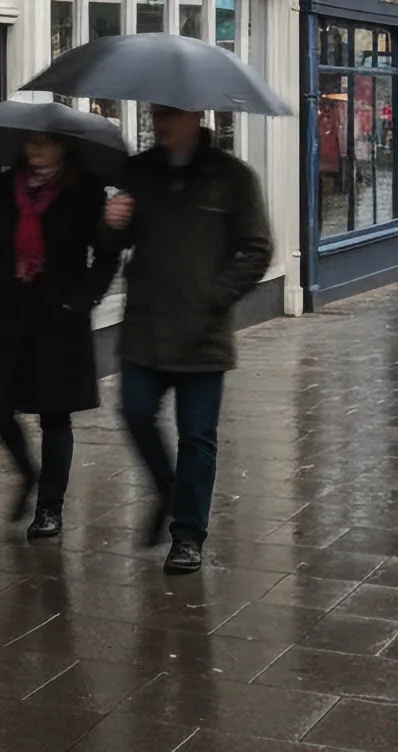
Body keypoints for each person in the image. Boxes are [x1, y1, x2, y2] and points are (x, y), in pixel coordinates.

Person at [104, 105, 272, 577]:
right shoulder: (139, 172)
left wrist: (211, 297)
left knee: (198, 436)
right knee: (135, 412)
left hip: (203, 332)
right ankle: (168, 489)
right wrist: (112, 223)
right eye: (157, 112)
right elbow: (113, 244)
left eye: (171, 114)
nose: (161, 121)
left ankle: (188, 535)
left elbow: (257, 250)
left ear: (196, 116)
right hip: (146, 326)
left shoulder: (233, 177)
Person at [0, 132, 118, 541]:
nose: (36, 149)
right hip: (12, 311)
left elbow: (107, 255)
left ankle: (49, 509)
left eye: (45, 142)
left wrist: (81, 302)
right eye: (29, 142)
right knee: (0, 406)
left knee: (54, 415)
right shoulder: (6, 187)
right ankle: (29, 474)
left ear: (64, 147)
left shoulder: (85, 190)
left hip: (60, 316)